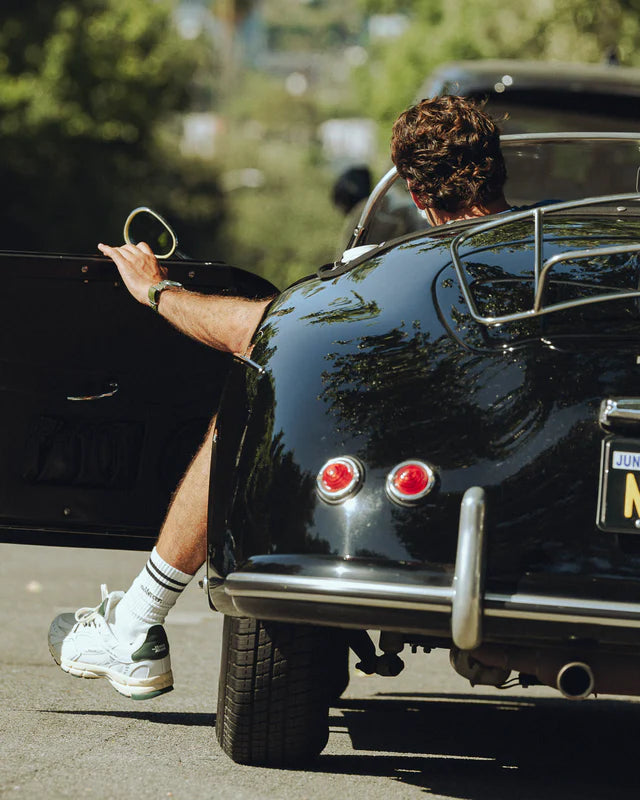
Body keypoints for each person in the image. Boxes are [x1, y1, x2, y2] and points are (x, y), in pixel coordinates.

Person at [48, 94, 509, 700]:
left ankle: (135, 625)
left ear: (417, 194)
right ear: (497, 169)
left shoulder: (413, 268)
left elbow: (271, 330)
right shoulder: (554, 255)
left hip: (419, 496)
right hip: (531, 499)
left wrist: (158, 292)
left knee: (251, 406)